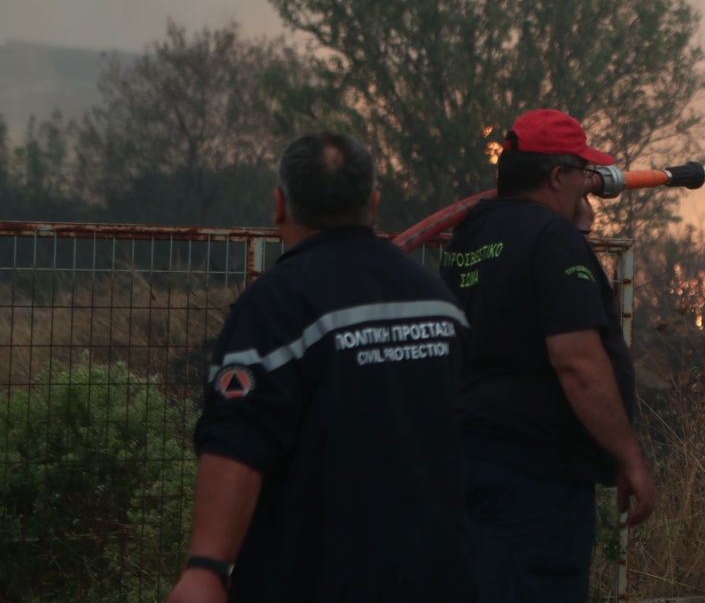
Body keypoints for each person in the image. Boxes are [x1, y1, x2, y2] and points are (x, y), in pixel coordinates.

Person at [167, 133, 476, 603]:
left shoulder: (276, 305)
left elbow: (238, 435)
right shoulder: (438, 301)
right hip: (438, 576)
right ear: (372, 205)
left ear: (279, 206)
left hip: (315, 578)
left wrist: (207, 568)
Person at [439, 109, 657, 603]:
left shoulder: (474, 233)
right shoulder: (549, 238)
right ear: (557, 176)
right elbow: (576, 362)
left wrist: (572, 228)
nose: (589, 183)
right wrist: (628, 458)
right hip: (534, 481)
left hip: (471, 462)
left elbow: (511, 317)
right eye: (582, 173)